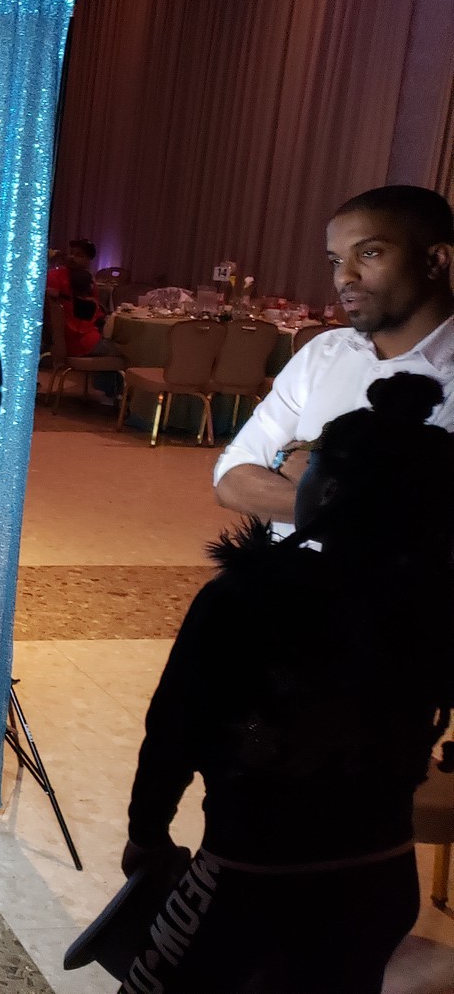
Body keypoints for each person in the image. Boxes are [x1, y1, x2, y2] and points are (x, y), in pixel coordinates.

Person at [121, 372, 454, 992]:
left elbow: (174, 729)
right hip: (381, 875)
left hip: (249, 872)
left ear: (328, 489)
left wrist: (147, 832)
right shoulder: (432, 604)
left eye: (303, 467)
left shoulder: (245, 599)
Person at [214, 184, 454, 535]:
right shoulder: (323, 352)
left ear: (435, 260)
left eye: (369, 253)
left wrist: (307, 476)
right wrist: (355, 500)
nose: (344, 277)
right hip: (286, 569)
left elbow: (432, 523)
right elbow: (231, 479)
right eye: (336, 261)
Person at [62, 264, 121, 404]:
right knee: (122, 351)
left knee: (109, 353)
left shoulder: (64, 303)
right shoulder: (91, 304)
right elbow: (102, 318)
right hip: (88, 344)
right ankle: (116, 392)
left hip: (70, 345)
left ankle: (106, 386)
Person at [47, 237, 97, 301]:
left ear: (88, 261)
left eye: (79, 255)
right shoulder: (54, 275)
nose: (72, 257)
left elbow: (95, 303)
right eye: (71, 253)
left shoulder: (89, 279)